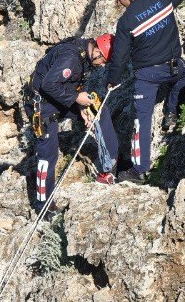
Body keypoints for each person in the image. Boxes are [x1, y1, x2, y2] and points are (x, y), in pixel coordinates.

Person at [106, 0, 185, 184]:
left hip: (147, 77)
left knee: (142, 119)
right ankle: (171, 111)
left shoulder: (126, 22)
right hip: (174, 68)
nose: (119, 3)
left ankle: (139, 171)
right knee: (184, 76)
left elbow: (119, 57)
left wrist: (112, 80)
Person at [25, 34, 118, 217]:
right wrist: (76, 98)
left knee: (98, 108)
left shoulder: (84, 55)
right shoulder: (71, 56)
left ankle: (109, 167)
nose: (102, 65)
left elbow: (73, 82)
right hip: (42, 105)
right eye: (103, 60)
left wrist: (81, 106)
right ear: (97, 50)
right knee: (48, 153)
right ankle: (44, 206)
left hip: (59, 98)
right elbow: (49, 84)